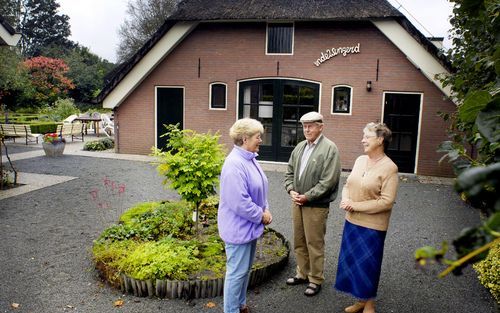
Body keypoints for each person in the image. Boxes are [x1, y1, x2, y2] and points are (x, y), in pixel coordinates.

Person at [334, 122, 399, 313]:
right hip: (352, 221)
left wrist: (355, 206)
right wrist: (346, 199)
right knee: (353, 263)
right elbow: (348, 184)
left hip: (373, 226)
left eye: (367, 136)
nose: (362, 140)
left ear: (380, 140)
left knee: (368, 266)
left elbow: (386, 202)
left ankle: (369, 305)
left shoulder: (390, 168)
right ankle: (360, 301)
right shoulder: (360, 160)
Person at [218, 118, 273, 313]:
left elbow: (260, 189)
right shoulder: (234, 164)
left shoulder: (250, 158)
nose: (261, 140)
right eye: (258, 137)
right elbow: (239, 202)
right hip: (238, 229)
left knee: (243, 272)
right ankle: (231, 310)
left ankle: (240, 305)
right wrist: (261, 216)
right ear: (244, 138)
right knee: (236, 273)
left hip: (248, 227)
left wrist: (265, 208)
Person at [284, 111, 341, 297]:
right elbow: (289, 172)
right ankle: (302, 273)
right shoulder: (300, 147)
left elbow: (328, 181)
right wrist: (290, 189)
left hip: (316, 205)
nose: (306, 129)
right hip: (298, 203)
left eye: (311, 125)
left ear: (321, 126)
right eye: (304, 126)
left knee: (314, 243)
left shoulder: (330, 148)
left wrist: (307, 196)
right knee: (299, 241)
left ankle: (316, 279)